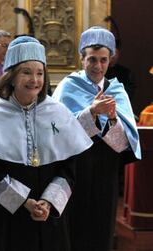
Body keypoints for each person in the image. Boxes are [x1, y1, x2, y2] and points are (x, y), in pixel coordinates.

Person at [0, 36, 93, 251]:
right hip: (9, 217)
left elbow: (70, 167)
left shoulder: (57, 111)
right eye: (26, 72)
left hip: (50, 216)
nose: (35, 79)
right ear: (11, 76)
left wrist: (48, 201)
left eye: (40, 73)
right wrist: (25, 202)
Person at [52, 26, 141, 251]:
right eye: (92, 59)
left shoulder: (117, 91)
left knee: (102, 229)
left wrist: (112, 119)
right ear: (81, 59)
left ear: (110, 60)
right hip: (74, 168)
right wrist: (90, 113)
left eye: (103, 60)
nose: (97, 66)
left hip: (105, 170)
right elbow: (56, 133)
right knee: (74, 228)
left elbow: (124, 145)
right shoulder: (67, 87)